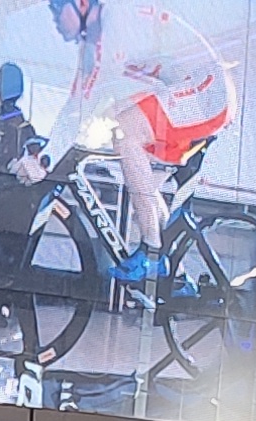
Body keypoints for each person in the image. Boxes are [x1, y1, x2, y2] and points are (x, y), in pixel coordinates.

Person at [19, 0, 233, 289]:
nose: (54, 19)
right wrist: (47, 155)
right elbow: (76, 105)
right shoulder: (94, 41)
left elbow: (87, 102)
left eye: (57, 8)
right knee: (143, 189)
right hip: (191, 90)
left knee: (126, 128)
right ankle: (176, 276)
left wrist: (47, 159)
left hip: (208, 91)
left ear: (81, 3)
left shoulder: (113, 22)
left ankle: (152, 253)